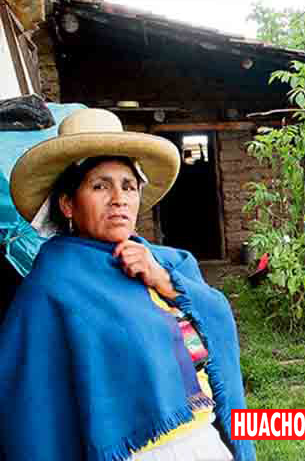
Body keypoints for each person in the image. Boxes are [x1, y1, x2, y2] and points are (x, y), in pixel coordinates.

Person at [0, 108, 255, 460]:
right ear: (68, 204)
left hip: (207, 439)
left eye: (129, 186)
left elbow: (219, 321)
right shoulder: (53, 286)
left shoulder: (171, 263)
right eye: (100, 186)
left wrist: (165, 282)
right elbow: (30, 405)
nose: (119, 198)